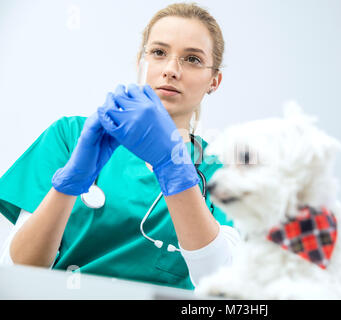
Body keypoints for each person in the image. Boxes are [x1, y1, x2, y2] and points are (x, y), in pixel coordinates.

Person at [0, 2, 240, 290]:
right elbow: (19, 268)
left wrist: (174, 168)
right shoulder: (70, 136)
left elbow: (222, 286)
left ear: (214, 81)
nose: (171, 70)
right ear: (141, 62)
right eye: (159, 52)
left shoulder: (224, 172)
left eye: (192, 59)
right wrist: (69, 184)